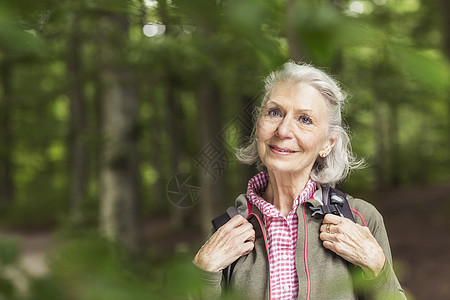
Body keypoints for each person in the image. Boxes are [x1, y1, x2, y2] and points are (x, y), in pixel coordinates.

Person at [193, 61, 406, 300]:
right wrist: (203, 272)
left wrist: (379, 270)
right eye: (274, 112)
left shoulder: (360, 218)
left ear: (328, 143)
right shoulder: (227, 229)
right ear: (257, 127)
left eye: (305, 119)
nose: (283, 131)